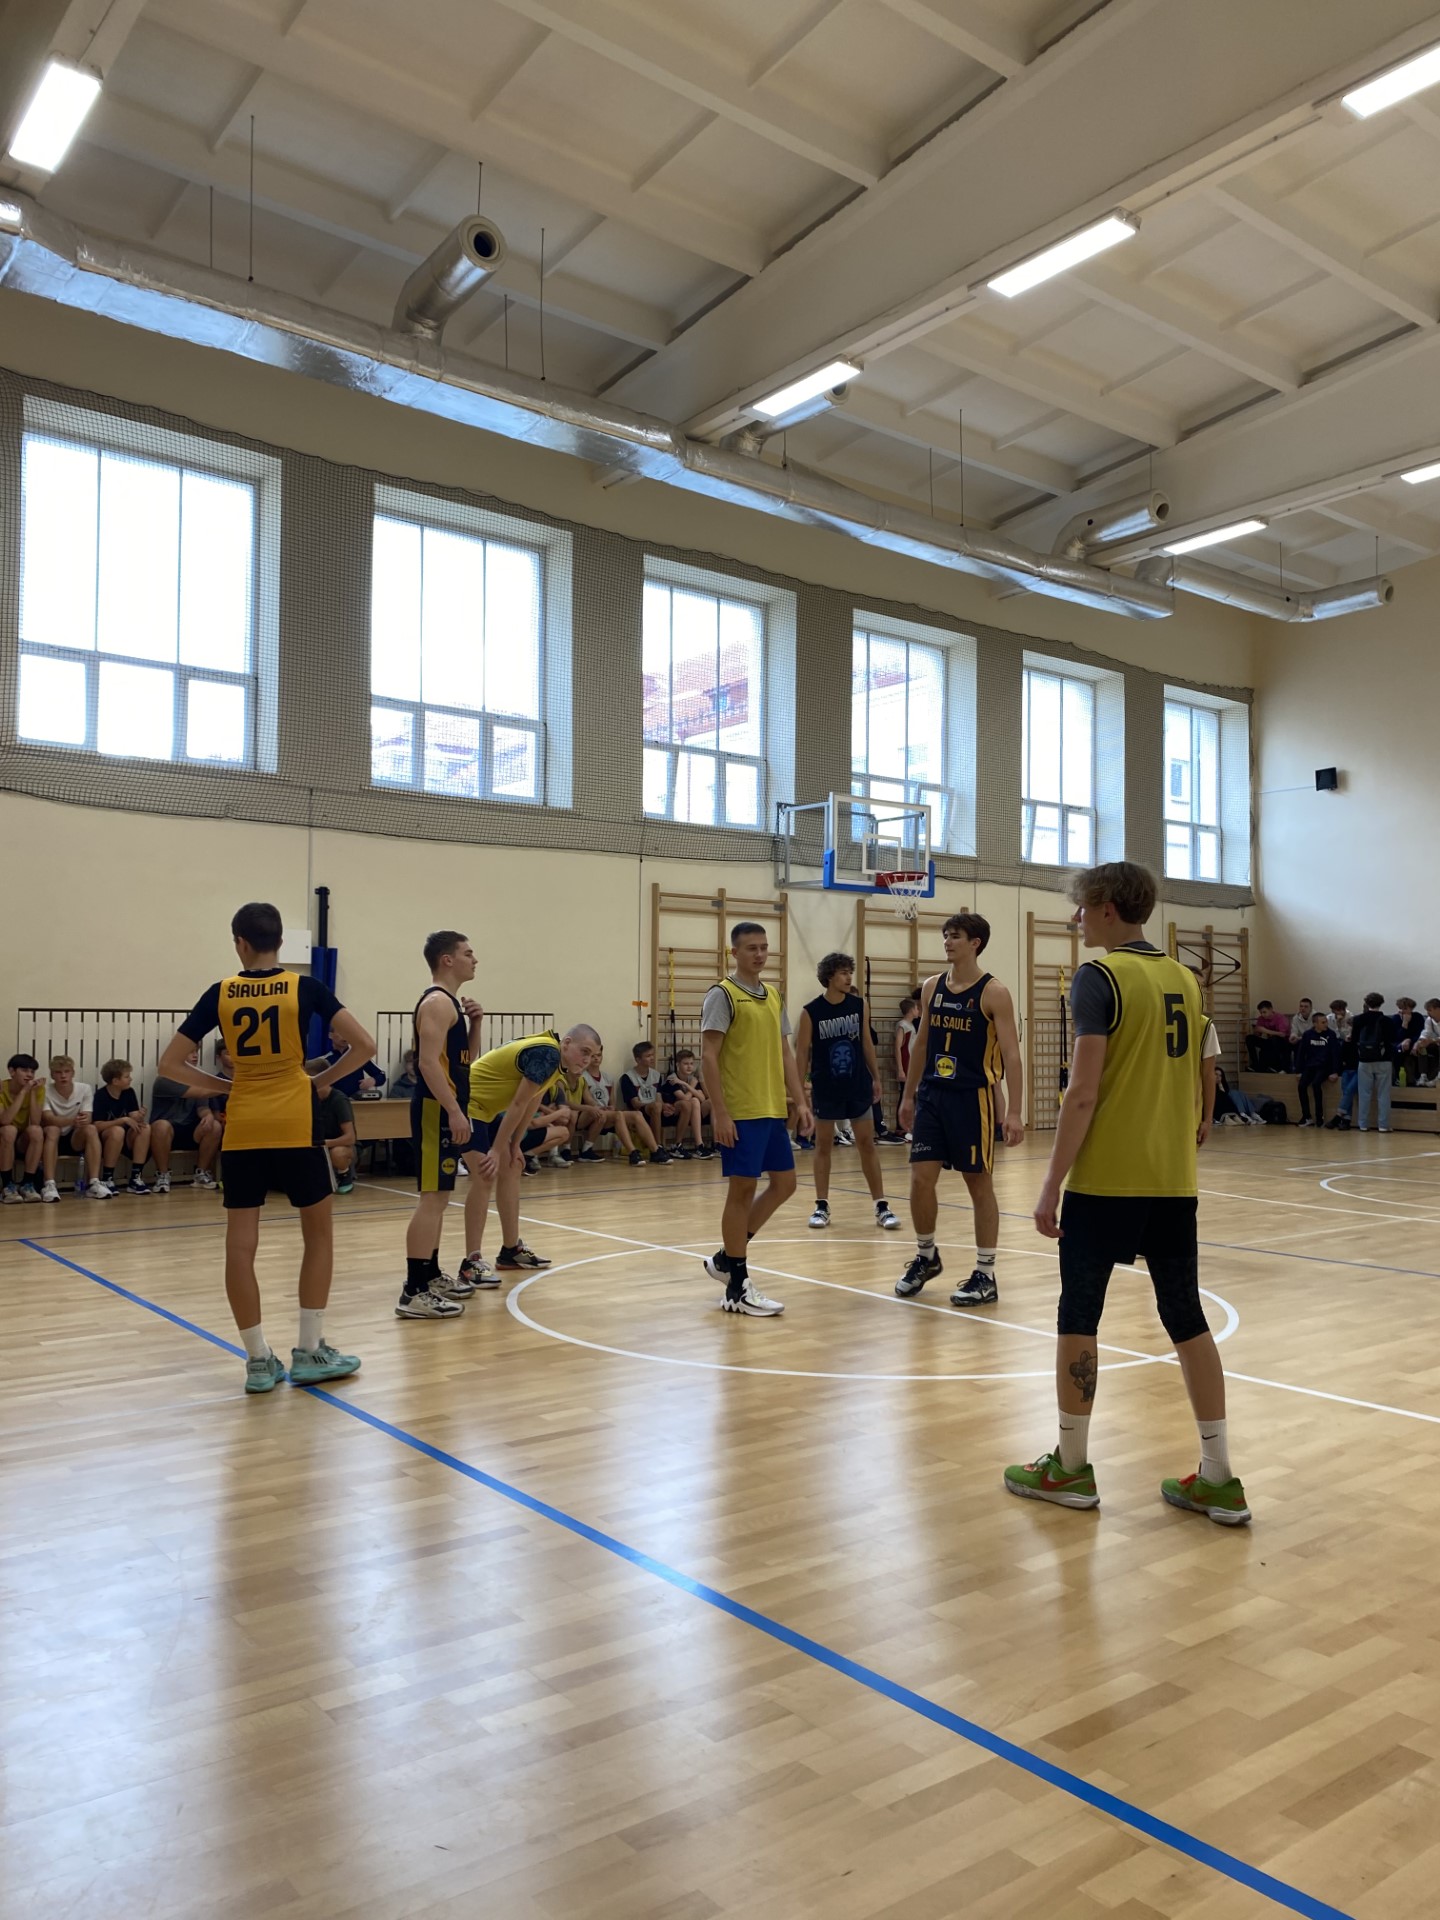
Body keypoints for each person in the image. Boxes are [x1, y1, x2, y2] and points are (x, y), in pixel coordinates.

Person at [1005, 860, 1248, 1525]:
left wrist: (1050, 1183)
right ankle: (1219, 1476)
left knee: (1079, 1314)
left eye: (1082, 907)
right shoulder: (1184, 979)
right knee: (1186, 1316)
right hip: (1172, 1179)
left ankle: (1070, 1467)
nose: (1076, 918)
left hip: (1107, 1179)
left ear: (1108, 907)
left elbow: (1082, 1092)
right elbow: (1201, 1071)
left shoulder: (1100, 976)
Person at [156, 901, 376, 1394]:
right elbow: (365, 1046)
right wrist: (316, 1082)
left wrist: (226, 1085)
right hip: (296, 1123)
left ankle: (257, 1360)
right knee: (318, 1237)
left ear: (240, 943)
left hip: (244, 1127)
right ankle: (310, 1349)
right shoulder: (305, 987)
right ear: (280, 942)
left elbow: (170, 1064)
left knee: (240, 1246)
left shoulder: (221, 992)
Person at [895, 914, 1024, 1307]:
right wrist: (908, 1096)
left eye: (955, 936)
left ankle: (985, 1274)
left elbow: (1012, 1055)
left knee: (978, 1184)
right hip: (933, 1094)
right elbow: (921, 1044)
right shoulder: (932, 987)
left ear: (975, 943)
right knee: (920, 1178)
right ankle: (926, 1256)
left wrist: (1014, 1111)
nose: (948, 942)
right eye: (946, 936)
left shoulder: (994, 992)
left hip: (972, 1098)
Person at [700, 921, 811, 1316]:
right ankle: (737, 1286)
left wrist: (800, 1102)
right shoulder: (723, 995)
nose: (760, 954)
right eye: (751, 948)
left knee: (785, 1184)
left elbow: (785, 1054)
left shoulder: (774, 995)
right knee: (742, 1191)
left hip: (771, 1108)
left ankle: (727, 1257)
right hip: (741, 1111)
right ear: (734, 953)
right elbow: (708, 1055)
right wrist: (720, 1112)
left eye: (764, 947)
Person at [458, 1024, 601, 1283]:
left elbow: (533, 1100)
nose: (586, 1060)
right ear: (567, 1043)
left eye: (592, 1056)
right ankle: (471, 1262)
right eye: (584, 1051)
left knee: (512, 1166)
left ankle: (510, 1250)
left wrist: (514, 1145)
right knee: (485, 1174)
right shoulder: (547, 1054)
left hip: (486, 1110)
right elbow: (518, 1103)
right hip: (467, 1104)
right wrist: (496, 1149)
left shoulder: (556, 1063)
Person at [398, 929, 485, 1320]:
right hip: (435, 1109)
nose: (474, 959)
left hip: (445, 1106)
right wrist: (453, 1110)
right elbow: (428, 1064)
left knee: (440, 1197)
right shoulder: (436, 1002)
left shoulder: (452, 1005)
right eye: (468, 953)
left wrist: (476, 1024)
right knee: (432, 1198)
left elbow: (463, 1062)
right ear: (447, 960)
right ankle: (414, 1290)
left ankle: (430, 1274)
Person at [796, 951, 898, 1233]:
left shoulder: (858, 1005)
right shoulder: (810, 1012)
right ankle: (821, 1205)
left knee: (867, 1144)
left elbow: (866, 1042)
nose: (849, 977)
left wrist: (875, 1077)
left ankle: (881, 1205)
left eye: (850, 972)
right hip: (826, 1088)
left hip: (857, 1085)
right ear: (829, 977)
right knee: (823, 1146)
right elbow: (801, 1053)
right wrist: (801, 1087)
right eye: (843, 973)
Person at [148, 1051, 225, 1192]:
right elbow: (201, 1092)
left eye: (196, 1052)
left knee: (214, 1126)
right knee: (161, 1126)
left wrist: (208, 1115)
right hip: (168, 1130)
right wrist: (229, 1087)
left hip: (191, 1130)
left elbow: (202, 1107)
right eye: (190, 1052)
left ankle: (201, 1174)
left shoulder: (199, 1079)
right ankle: (163, 1175)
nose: (195, 1055)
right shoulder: (164, 1080)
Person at [574, 1044, 657, 1163]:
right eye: (593, 1056)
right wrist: (601, 1108)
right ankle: (632, 1152)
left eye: (599, 1055)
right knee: (617, 1114)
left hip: (605, 1114)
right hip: (588, 1114)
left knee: (637, 1114)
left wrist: (611, 1107)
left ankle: (655, 1150)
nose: (596, 1058)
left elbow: (612, 1102)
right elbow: (589, 1101)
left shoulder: (608, 1077)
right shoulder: (582, 1076)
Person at [40, 1056, 103, 1200]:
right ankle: (49, 1184)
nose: (63, 1076)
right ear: (52, 1075)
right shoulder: (45, 1090)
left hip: (75, 1137)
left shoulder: (84, 1088)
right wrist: (72, 1120)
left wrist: (80, 1121)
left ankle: (93, 1183)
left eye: (66, 1071)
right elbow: (48, 1118)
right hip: (52, 1136)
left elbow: (87, 1117)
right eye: (58, 1072)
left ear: (73, 1073)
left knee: (91, 1129)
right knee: (53, 1129)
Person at [93, 1060, 154, 1195]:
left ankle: (135, 1178)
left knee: (145, 1128)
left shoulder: (129, 1092)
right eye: (127, 1076)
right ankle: (107, 1178)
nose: (130, 1079)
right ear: (115, 1081)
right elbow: (97, 1126)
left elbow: (133, 1117)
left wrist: (139, 1116)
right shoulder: (101, 1096)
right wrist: (122, 1120)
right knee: (117, 1130)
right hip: (106, 1138)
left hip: (125, 1137)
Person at [1, 1053, 49, 1202]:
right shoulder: (2, 1087)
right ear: (12, 1071)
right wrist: (23, 1092)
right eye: (24, 1070)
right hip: (4, 1136)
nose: (29, 1075)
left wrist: (32, 1092)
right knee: (9, 1130)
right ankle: (7, 1185)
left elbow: (35, 1121)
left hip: (21, 1140)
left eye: (32, 1071)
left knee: (36, 1130)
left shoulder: (37, 1089)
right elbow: (5, 1120)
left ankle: (27, 1184)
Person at [619, 1042, 674, 1165]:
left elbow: (658, 1097)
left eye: (653, 1055)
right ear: (638, 1059)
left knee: (682, 1105)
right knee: (656, 1106)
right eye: (648, 1056)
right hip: (639, 1111)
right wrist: (655, 1105)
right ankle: (657, 1148)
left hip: (655, 1108)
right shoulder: (628, 1077)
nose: (652, 1058)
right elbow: (635, 1103)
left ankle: (677, 1145)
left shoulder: (656, 1075)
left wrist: (664, 1106)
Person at [1352, 993, 1394, 1132]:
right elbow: (1392, 1040)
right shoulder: (1387, 1021)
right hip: (1383, 1059)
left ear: (1366, 1003)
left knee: (1364, 1094)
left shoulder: (1358, 1019)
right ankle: (1383, 1125)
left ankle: (1363, 1124)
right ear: (1381, 1003)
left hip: (1364, 1060)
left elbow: (1354, 1040)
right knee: (1384, 1094)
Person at [1295, 1011, 1341, 1127]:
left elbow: (1335, 1054)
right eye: (1323, 1022)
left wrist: (1335, 1071)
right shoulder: (1308, 1035)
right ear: (1315, 1024)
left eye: (1326, 1022)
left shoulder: (1331, 1034)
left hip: (1325, 1066)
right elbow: (1301, 1053)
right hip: (1311, 1066)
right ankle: (1306, 1117)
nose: (1326, 1024)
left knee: (1316, 1084)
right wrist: (1299, 1071)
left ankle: (1319, 1117)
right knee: (1301, 1086)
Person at [664, 1050, 713, 1157]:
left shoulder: (691, 1078)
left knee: (700, 1101)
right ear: (678, 1065)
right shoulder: (672, 1079)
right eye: (686, 1064)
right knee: (692, 1101)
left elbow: (702, 1098)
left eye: (691, 1063)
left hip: (691, 1113)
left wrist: (686, 1085)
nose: (689, 1067)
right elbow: (685, 1098)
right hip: (673, 1112)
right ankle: (687, 1145)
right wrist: (691, 1086)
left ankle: (703, 1145)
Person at [314, 1028, 387, 1100]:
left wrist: (373, 1080)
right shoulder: (323, 1060)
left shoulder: (359, 1056)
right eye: (341, 1033)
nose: (345, 1036)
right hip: (333, 1102)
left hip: (356, 1101)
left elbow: (381, 1075)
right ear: (330, 1035)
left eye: (347, 1033)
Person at [318, 1084, 356, 1191]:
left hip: (342, 1146)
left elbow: (350, 1138)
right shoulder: (312, 1100)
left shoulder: (339, 1100)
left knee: (337, 1153)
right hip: (321, 1144)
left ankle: (344, 1174)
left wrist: (324, 1143)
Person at [894, 996, 920, 1133]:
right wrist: (900, 1069)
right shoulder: (902, 1025)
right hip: (905, 1066)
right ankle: (900, 1128)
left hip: (911, 1066)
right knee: (904, 1096)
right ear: (911, 1010)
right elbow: (898, 1047)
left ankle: (908, 1127)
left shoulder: (910, 1025)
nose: (918, 1011)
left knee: (912, 1096)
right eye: (916, 1008)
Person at [1245, 1001, 1290, 1072]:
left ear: (1271, 1009)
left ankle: (1276, 1066)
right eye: (1261, 1013)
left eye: (1264, 1012)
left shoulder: (1280, 1018)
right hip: (1270, 1041)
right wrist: (1256, 1031)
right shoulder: (1261, 1018)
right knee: (1249, 1038)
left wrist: (1266, 1031)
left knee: (1274, 1039)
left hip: (1282, 1042)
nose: (1263, 1014)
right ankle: (1255, 1064)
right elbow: (1258, 1034)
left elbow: (1283, 1034)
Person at [1393, 997, 1425, 1084]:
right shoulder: (1395, 1018)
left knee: (1420, 1050)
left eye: (1405, 1008)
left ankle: (1418, 1077)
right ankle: (1398, 1078)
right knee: (1398, 1050)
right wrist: (1404, 1024)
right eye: (1400, 1008)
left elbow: (1420, 1034)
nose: (1402, 1011)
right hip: (1400, 1043)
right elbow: (1396, 1037)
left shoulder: (1418, 1017)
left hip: (1414, 1042)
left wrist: (1409, 1040)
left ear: (1411, 1009)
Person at [1287, 997, 1315, 1067]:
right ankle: (1290, 1068)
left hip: (1314, 1039)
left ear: (1311, 1008)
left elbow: (1314, 1033)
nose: (1303, 1008)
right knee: (1287, 1044)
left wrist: (1299, 1038)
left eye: (1306, 1007)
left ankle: (1302, 1067)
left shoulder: (1316, 1017)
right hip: (1300, 1039)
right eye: (1301, 1006)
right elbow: (1294, 1031)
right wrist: (1293, 1037)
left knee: (1301, 1043)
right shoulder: (1296, 1018)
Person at [1418, 999, 1440, 1087]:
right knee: (1422, 1047)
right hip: (1436, 1044)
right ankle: (1423, 1076)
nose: (1428, 1013)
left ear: (1438, 1009)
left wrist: (1432, 1040)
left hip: (1437, 1042)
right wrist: (1420, 1041)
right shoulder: (1429, 1020)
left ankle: (1439, 1077)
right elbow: (1426, 1033)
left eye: (1430, 1010)